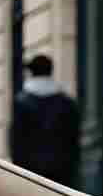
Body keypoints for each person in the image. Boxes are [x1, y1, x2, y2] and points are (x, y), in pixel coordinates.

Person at [9, 54, 80, 188]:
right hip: (61, 168)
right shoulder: (66, 102)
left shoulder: (22, 102)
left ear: (31, 72)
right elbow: (73, 139)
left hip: (30, 169)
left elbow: (17, 140)